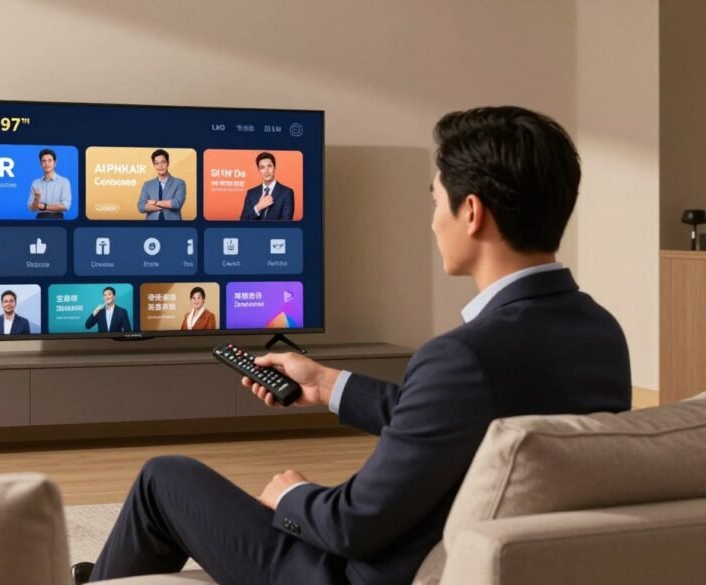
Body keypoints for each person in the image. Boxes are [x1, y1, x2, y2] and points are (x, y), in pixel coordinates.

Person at [77, 106, 632, 585]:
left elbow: (351, 524)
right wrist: (329, 384)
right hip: (451, 547)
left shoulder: (463, 356)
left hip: (348, 574)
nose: (431, 219)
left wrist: (293, 495)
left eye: (435, 199)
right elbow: (462, 425)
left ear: (471, 212)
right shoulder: (600, 334)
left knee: (163, 478)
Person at [239, 152, 295, 221]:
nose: (266, 170)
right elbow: (242, 220)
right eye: (262, 167)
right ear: (259, 170)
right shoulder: (251, 193)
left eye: (269, 166)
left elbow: (286, 222)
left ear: (274, 168)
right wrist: (258, 207)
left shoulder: (287, 192)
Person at [137, 149, 187, 220]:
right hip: (152, 227)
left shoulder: (179, 183)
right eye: (156, 163)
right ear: (154, 165)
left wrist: (154, 202)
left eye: (163, 162)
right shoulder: (147, 185)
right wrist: (165, 205)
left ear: (168, 163)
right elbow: (141, 207)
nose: (160, 166)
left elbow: (176, 203)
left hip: (172, 226)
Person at [29, 148, 72, 219]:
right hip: (40, 218)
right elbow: (32, 208)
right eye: (44, 161)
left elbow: (65, 206)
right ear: (41, 164)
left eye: (50, 160)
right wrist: (36, 199)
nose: (47, 163)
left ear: (55, 163)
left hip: (58, 219)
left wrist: (42, 206)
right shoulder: (35, 183)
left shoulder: (64, 181)